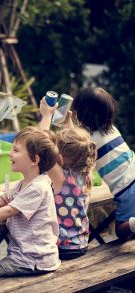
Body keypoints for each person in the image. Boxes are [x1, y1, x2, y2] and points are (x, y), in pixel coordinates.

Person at [0, 126, 60, 279]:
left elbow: (9, 211)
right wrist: (2, 205)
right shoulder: (24, 184)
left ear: (34, 160)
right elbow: (9, 209)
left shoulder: (38, 187)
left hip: (34, 260)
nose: (10, 153)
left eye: (15, 150)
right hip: (28, 257)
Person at [70, 87, 135, 240]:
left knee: (121, 231)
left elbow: (75, 144)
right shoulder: (112, 129)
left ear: (83, 112)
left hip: (126, 189)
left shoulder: (88, 140)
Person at [40, 97, 97, 259]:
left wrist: (46, 116)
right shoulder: (86, 171)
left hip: (62, 248)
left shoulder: (61, 178)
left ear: (62, 158)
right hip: (80, 243)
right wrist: (68, 122)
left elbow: (41, 146)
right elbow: (78, 145)